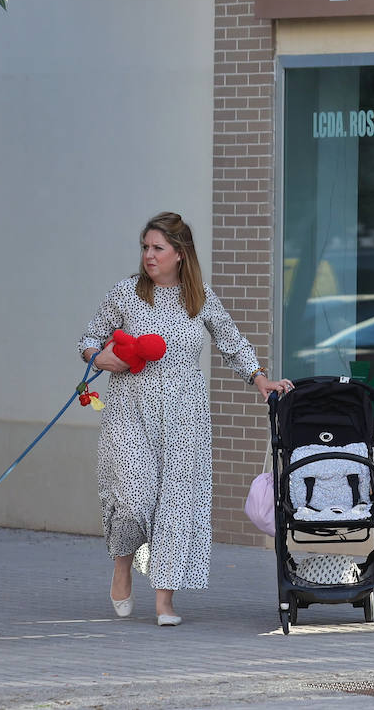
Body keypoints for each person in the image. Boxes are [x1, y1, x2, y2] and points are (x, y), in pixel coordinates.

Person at [79, 212, 292, 627]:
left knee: (176, 503)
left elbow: (232, 341)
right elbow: (89, 339)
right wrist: (101, 357)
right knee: (134, 497)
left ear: (180, 253)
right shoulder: (125, 294)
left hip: (184, 414)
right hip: (129, 411)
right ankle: (123, 566)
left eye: (158, 248)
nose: (149, 256)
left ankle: (164, 600)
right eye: (145, 247)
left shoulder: (200, 299)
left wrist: (258, 378)